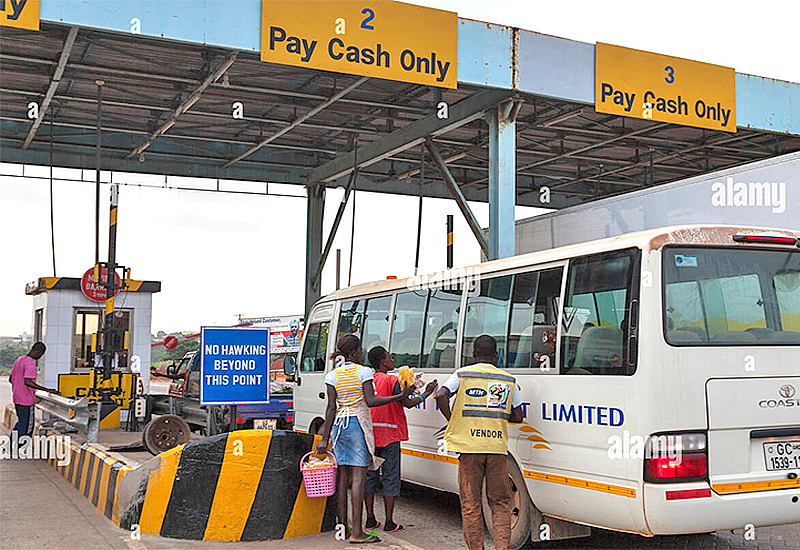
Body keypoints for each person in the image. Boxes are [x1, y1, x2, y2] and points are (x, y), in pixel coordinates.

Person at [315, 335, 414, 544]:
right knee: (358, 478)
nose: (362, 353)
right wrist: (399, 396)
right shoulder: (364, 372)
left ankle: (342, 526)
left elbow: (331, 407)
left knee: (342, 479)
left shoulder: (332, 375)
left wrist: (325, 439)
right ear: (353, 353)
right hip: (357, 424)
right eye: (360, 350)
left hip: (339, 427)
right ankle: (358, 533)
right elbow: (370, 401)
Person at [435, 335, 523, 550]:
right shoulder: (508, 379)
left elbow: (440, 395)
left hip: (469, 449)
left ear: (473, 355)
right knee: (501, 502)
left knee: (471, 504)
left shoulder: (462, 374)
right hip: (496, 449)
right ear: (496, 354)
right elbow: (518, 416)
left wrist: (452, 418)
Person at [364, 346, 438, 533]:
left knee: (370, 478)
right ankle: (389, 522)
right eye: (389, 357)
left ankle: (370, 519)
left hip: (371, 436)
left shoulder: (368, 379)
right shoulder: (392, 380)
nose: (392, 360)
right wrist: (427, 392)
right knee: (390, 478)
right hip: (390, 437)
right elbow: (408, 402)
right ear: (382, 362)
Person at [10, 342, 59, 438]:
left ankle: (12, 445)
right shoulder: (30, 364)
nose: (40, 357)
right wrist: (46, 389)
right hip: (26, 401)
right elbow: (28, 381)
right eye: (41, 354)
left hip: (17, 399)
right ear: (38, 352)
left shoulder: (19, 360)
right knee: (27, 428)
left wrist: (18, 388)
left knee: (20, 424)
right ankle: (18, 449)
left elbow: (11, 379)